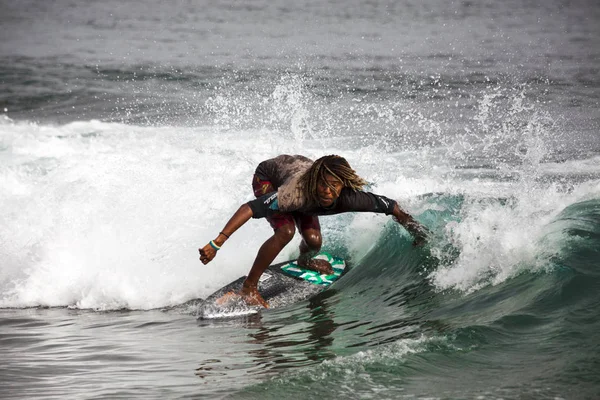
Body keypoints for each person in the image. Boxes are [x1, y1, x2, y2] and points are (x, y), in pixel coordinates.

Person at [199, 154, 428, 308]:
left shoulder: (351, 197)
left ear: (342, 186)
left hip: (300, 176)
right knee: (286, 231)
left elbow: (392, 207)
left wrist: (417, 232)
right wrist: (217, 243)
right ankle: (249, 287)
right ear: (315, 182)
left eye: (334, 186)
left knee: (314, 240)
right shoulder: (294, 194)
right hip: (268, 177)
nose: (328, 191)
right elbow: (249, 208)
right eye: (323, 184)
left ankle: (304, 261)